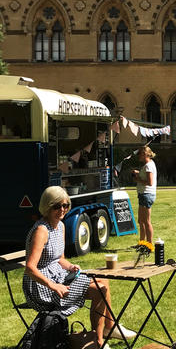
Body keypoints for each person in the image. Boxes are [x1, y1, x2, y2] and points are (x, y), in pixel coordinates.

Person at [23, 186, 135, 348]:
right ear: (46, 207)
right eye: (57, 206)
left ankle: (108, 328)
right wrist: (54, 286)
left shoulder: (60, 226)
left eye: (65, 205)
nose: (62, 210)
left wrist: (70, 266)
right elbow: (30, 268)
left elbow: (60, 259)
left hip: (58, 276)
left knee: (102, 279)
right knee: (100, 290)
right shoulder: (42, 230)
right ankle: (99, 341)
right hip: (42, 288)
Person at [132, 146, 157, 244]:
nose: (138, 156)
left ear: (144, 154)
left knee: (146, 222)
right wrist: (138, 173)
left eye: (139, 154)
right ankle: (142, 243)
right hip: (143, 195)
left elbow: (150, 182)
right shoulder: (148, 165)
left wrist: (137, 179)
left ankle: (149, 245)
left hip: (147, 195)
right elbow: (147, 175)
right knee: (141, 221)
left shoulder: (148, 166)